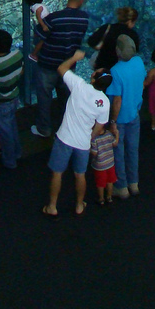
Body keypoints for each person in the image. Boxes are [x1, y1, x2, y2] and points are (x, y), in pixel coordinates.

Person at [42, 51, 112, 218]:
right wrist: (90, 137)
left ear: (93, 78)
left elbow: (61, 68)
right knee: (80, 174)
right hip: (83, 143)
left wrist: (75, 58)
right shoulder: (104, 103)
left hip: (64, 138)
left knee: (57, 173)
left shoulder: (79, 85)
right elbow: (100, 126)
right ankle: (79, 205)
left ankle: (52, 206)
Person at [32, 0, 89, 138]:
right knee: (67, 98)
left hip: (47, 65)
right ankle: (67, 127)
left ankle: (44, 128)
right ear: (82, 0)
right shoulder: (84, 18)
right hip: (69, 66)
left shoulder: (54, 18)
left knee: (44, 98)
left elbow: (38, 34)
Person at [106, 34, 145, 199]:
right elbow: (142, 83)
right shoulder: (139, 62)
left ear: (118, 51)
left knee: (118, 151)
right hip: (134, 114)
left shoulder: (115, 71)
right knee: (133, 149)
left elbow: (116, 101)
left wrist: (112, 122)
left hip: (120, 119)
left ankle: (121, 187)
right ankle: (134, 183)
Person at [0, 28, 23, 169]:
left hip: (0, 103)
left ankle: (10, 162)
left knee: (5, 133)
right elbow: (20, 71)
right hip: (14, 97)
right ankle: (17, 153)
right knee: (12, 127)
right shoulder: (18, 55)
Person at [88, 6, 140, 72]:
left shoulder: (107, 27)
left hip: (102, 68)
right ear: (130, 21)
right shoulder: (133, 35)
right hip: (121, 71)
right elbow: (134, 52)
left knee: (102, 81)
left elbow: (91, 41)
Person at [90, 124, 118, 205]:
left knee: (100, 183)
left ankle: (101, 199)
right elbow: (115, 143)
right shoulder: (109, 134)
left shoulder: (94, 138)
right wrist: (117, 134)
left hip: (99, 165)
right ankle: (109, 197)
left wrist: (88, 149)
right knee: (110, 181)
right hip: (110, 163)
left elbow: (94, 153)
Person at [24, 0, 50, 64]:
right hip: (43, 24)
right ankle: (33, 54)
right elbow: (39, 17)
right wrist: (43, 26)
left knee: (39, 39)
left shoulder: (35, 6)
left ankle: (34, 41)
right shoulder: (39, 7)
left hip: (41, 25)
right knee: (43, 40)